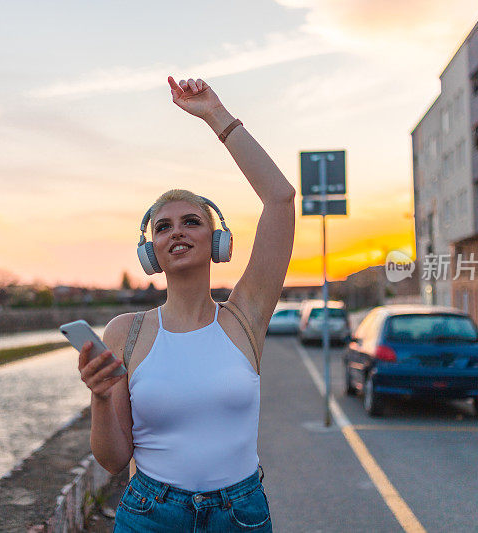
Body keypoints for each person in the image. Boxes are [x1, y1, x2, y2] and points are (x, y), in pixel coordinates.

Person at [77, 75, 295, 532]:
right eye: (162, 227)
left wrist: (216, 115)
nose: (176, 231)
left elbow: (280, 198)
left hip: (240, 515)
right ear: (150, 252)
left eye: (191, 221)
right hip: (151, 514)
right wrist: (99, 399)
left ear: (216, 241)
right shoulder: (126, 332)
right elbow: (115, 459)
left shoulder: (244, 316)